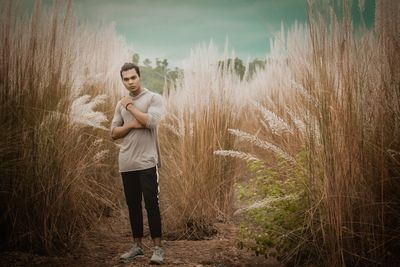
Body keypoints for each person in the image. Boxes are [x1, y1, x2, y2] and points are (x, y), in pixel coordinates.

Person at [111, 63, 165, 264]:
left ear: (139, 77)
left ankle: (158, 249)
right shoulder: (120, 104)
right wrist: (133, 124)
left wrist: (129, 106)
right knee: (133, 205)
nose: (130, 82)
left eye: (133, 78)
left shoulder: (153, 98)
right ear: (122, 81)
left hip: (147, 161)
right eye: (126, 79)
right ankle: (138, 247)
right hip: (126, 162)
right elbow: (113, 133)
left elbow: (151, 121)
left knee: (152, 204)